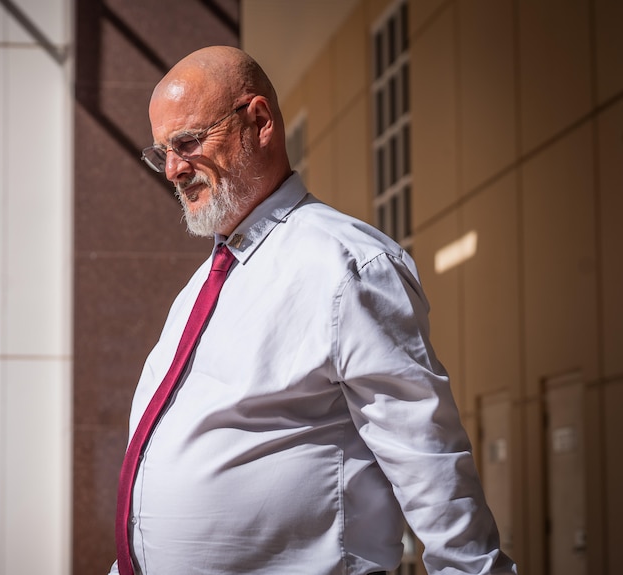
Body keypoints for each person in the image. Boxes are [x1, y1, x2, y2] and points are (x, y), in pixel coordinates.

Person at [109, 45, 517, 575]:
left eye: (186, 143)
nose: (171, 170)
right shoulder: (202, 285)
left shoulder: (347, 265)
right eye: (160, 151)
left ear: (258, 122)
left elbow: (428, 461)